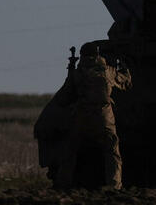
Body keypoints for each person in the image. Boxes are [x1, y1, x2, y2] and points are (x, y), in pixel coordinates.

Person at [55, 52, 131, 189]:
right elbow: (125, 82)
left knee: (70, 151)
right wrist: (125, 67)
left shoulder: (78, 73)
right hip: (104, 118)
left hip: (81, 117)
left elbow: (64, 98)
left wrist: (71, 70)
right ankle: (114, 185)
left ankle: (63, 183)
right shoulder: (108, 71)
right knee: (112, 151)